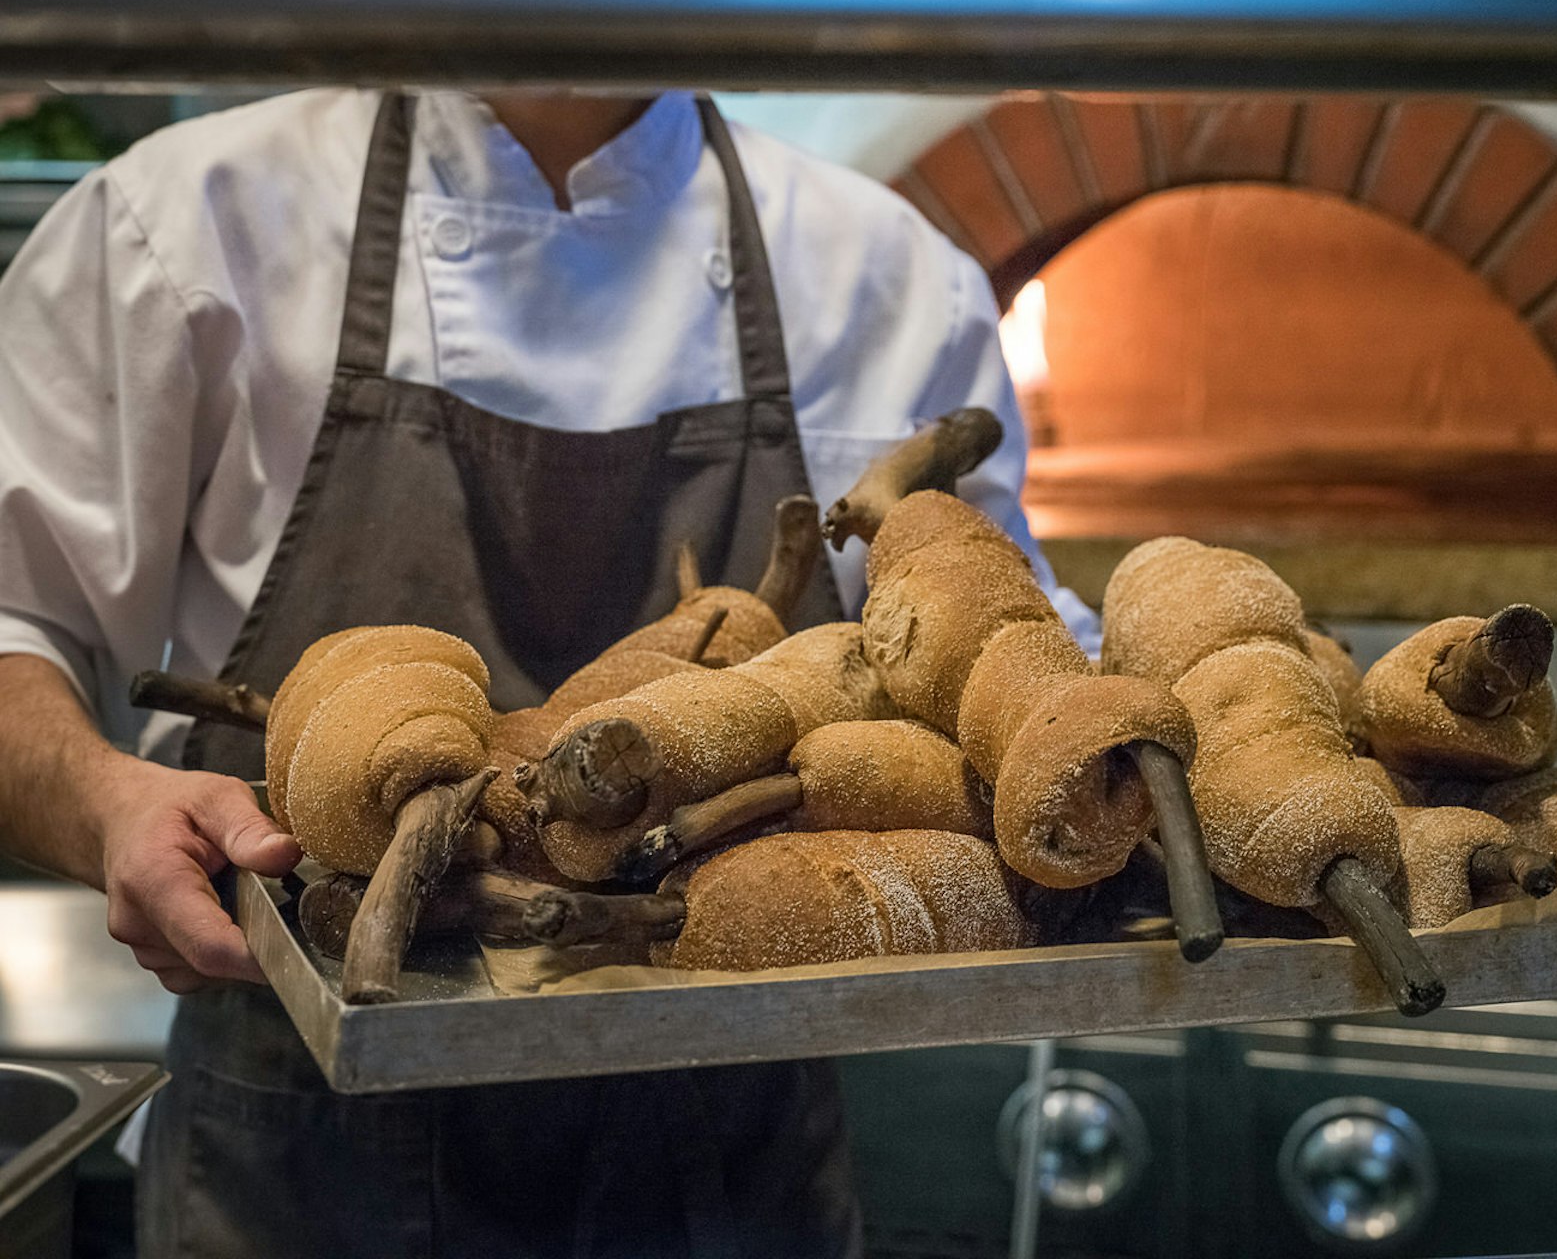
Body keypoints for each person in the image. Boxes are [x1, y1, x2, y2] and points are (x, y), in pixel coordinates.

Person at [0, 87, 1097, 1258]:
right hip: (305, 1169)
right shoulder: (180, 229)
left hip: (741, 1170)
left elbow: (994, 660)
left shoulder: (883, 277)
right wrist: (109, 806)